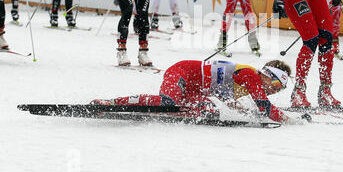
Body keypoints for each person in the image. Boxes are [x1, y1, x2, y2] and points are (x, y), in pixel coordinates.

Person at [91, 59, 293, 124]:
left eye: (279, 90)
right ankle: (109, 103)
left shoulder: (249, 82)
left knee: (208, 111)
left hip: (194, 88)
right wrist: (290, 120)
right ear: (267, 75)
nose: (274, 92)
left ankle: (161, 110)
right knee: (167, 102)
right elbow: (265, 107)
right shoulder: (251, 75)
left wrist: (237, 107)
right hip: (181, 72)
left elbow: (223, 92)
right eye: (275, 86)